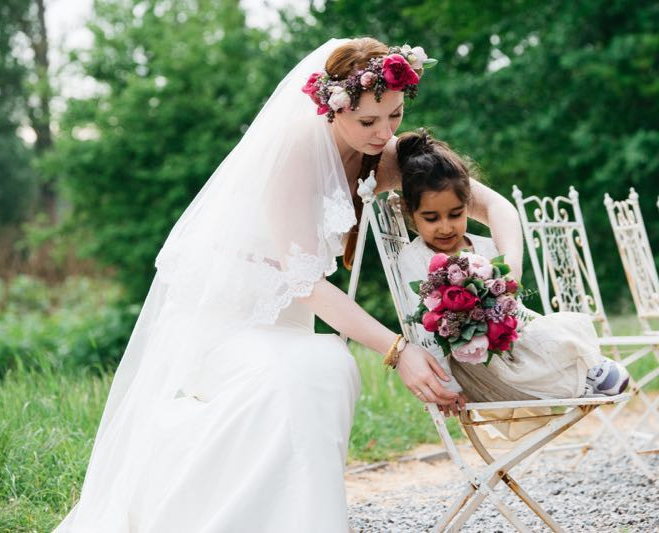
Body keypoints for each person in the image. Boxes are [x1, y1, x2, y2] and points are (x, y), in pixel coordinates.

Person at [53, 38, 527, 532]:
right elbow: (303, 283)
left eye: (395, 115)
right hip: (227, 325)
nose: (384, 133)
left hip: (287, 327)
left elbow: (497, 208)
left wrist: (505, 279)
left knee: (326, 365)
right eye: (368, 121)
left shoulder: (383, 155)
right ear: (332, 108)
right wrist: (397, 349)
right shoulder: (295, 153)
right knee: (314, 364)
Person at [395, 129, 630, 407]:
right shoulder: (414, 259)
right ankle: (573, 383)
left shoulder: (484, 248)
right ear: (411, 214)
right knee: (518, 353)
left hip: (508, 338)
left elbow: (510, 302)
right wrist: (449, 386)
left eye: (456, 214)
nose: (445, 227)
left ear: (468, 206)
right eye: (431, 218)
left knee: (538, 326)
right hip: (471, 360)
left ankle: (585, 371)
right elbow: (424, 333)